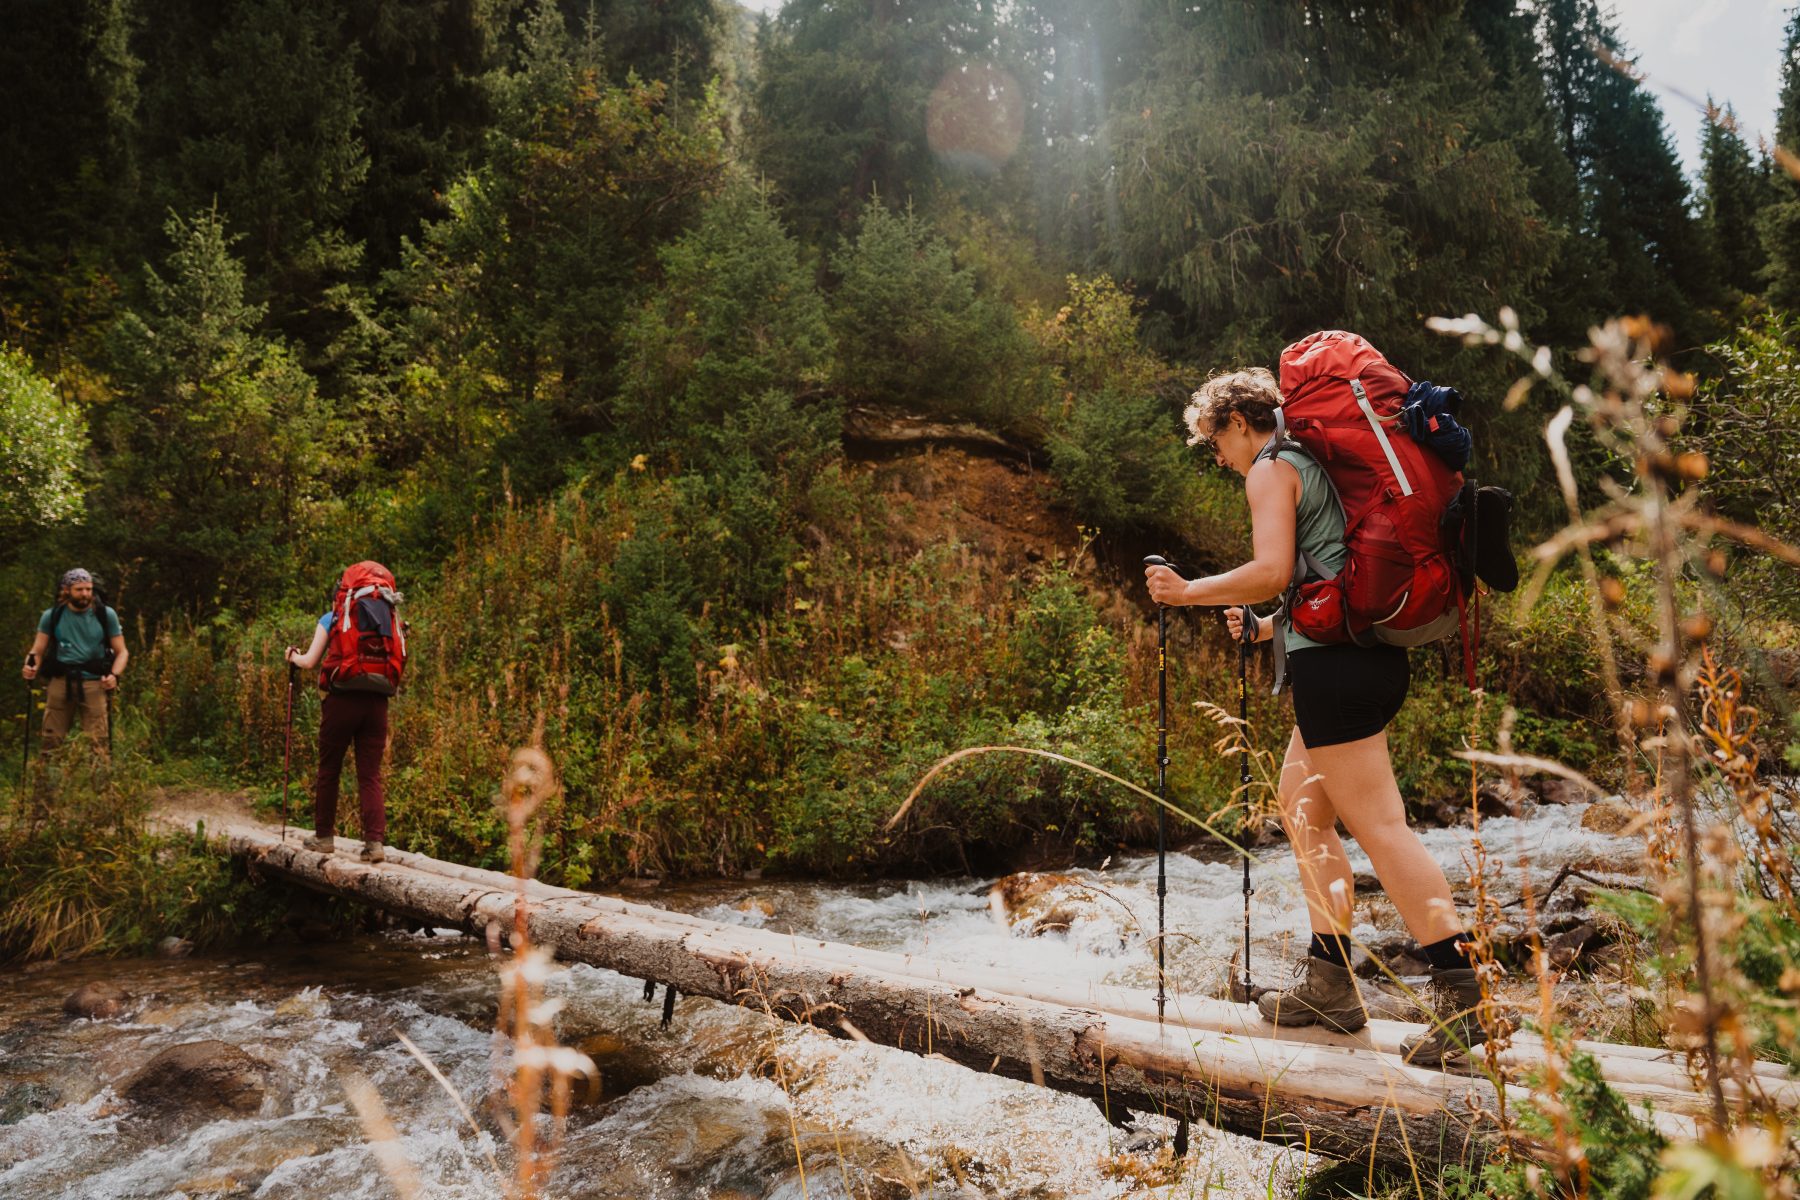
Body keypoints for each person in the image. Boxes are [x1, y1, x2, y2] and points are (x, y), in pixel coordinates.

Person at [1143, 368, 1481, 1067]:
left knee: (1383, 829)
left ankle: (1465, 996)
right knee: (1303, 809)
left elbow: (1271, 570)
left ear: (1239, 420)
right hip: (1356, 659)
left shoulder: (1270, 468)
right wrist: (1267, 631)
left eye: (1213, 441)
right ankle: (1331, 982)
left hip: (1338, 673)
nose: (1217, 457)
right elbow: (1318, 576)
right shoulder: (1310, 464)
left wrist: (1186, 592)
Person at [286, 572, 397, 864]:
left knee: (329, 769)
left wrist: (293, 657)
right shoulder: (388, 619)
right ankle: (374, 844)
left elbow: (310, 661)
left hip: (342, 700)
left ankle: (324, 838)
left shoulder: (333, 617)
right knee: (370, 774)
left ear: (342, 594)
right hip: (378, 701)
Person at [21, 568, 128, 756]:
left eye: (88, 589)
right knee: (51, 739)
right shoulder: (52, 615)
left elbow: (122, 652)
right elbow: (37, 651)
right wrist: (31, 667)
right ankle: (46, 784)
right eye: (79, 589)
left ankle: (102, 785)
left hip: (95, 683)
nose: (85, 594)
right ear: (67, 590)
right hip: (61, 681)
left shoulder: (105, 614)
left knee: (98, 741)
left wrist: (114, 675)